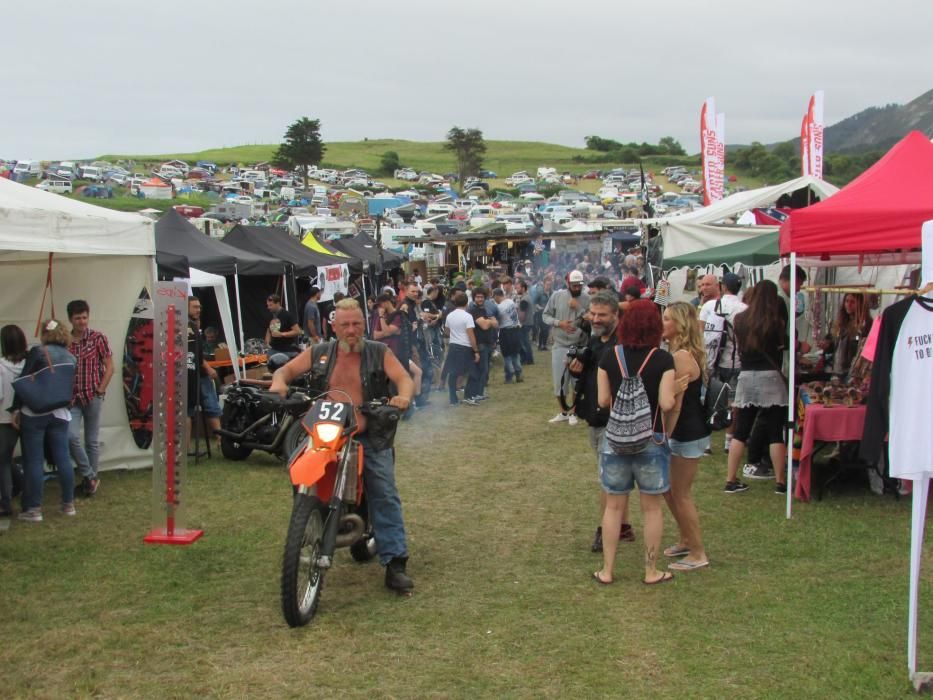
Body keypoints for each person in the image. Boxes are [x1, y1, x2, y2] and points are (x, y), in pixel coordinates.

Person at [269, 298, 415, 592]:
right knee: (302, 473)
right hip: (328, 433)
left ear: (365, 324)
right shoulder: (321, 352)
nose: (352, 330)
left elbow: (403, 379)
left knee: (383, 492)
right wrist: (279, 382)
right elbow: (285, 371)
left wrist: (403, 396)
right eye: (345, 324)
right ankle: (308, 521)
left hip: (369, 433)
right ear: (333, 327)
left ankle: (395, 561)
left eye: (357, 323)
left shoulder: (379, 351)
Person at [593, 300, 679, 585]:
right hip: (650, 440)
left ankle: (607, 570)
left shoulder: (609, 356)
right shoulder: (663, 359)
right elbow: (666, 403)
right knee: (651, 508)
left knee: (614, 507)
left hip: (615, 440)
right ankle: (651, 570)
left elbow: (603, 400)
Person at [566, 291, 634, 553]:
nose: (595, 318)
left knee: (608, 478)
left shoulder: (623, 346)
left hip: (614, 420)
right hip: (594, 417)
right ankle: (623, 526)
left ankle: (605, 529)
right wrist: (577, 370)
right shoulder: (594, 342)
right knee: (613, 477)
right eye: (592, 313)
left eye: (601, 315)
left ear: (616, 315)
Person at [724, 280, 789, 494]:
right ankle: (780, 482)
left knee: (741, 430)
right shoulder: (776, 323)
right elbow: (783, 346)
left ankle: (731, 479)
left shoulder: (740, 320)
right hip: (770, 377)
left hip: (747, 375)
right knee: (775, 431)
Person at [11, 320, 78, 522]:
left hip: (35, 412)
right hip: (60, 413)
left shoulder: (38, 352)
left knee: (34, 460)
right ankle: (68, 504)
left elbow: (23, 382)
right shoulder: (71, 357)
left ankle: (34, 508)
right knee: (63, 458)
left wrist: (15, 409)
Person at [660, 302, 710, 571]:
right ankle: (686, 539)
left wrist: (665, 435)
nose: (662, 322)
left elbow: (676, 405)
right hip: (688, 431)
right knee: (670, 491)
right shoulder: (681, 352)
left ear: (679, 325)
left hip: (686, 432)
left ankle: (698, 552)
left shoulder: (680, 356)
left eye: (667, 319)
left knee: (680, 494)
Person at [66, 300, 114, 497]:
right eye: (78, 318)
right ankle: (89, 475)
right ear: (70, 319)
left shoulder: (97, 338)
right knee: (71, 436)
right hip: (71, 398)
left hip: (92, 394)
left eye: (84, 317)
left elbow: (110, 366)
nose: (82, 322)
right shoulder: (65, 341)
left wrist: (100, 390)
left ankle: (90, 481)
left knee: (92, 440)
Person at [698, 272, 746, 454]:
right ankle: (728, 443)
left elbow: (700, 333)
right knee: (733, 403)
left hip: (713, 362)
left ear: (723, 287)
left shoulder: (710, 306)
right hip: (736, 361)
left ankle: (707, 444)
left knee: (711, 400)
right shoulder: (744, 308)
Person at [543, 270, 590, 425]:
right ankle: (564, 411)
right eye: (574, 285)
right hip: (560, 345)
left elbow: (592, 320)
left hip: (579, 346)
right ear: (567, 283)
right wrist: (559, 323)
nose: (577, 288)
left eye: (579, 285)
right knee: (559, 383)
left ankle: (573, 413)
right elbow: (546, 316)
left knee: (576, 382)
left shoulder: (587, 298)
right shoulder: (557, 296)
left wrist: (579, 308)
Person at [187, 297, 221, 451]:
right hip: (191, 374)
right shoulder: (186, 326)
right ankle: (186, 447)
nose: (198, 310)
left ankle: (221, 441)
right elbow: (196, 355)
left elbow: (199, 354)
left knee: (211, 406)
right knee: (189, 410)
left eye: (199, 307)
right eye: (194, 307)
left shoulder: (195, 325)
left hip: (199, 373)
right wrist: (208, 368)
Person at [0, 325, 27, 517]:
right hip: (28, 416)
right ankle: (22, 489)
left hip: (5, 418)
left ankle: (6, 502)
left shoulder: (1, 366)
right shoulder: (30, 363)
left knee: (3, 461)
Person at [443, 291, 479, 406]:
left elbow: (447, 331)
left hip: (453, 346)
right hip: (465, 347)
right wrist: (476, 350)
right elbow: (471, 335)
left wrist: (455, 335)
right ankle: (469, 396)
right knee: (472, 372)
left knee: (453, 373)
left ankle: (453, 399)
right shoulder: (468, 316)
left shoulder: (450, 315)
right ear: (466, 303)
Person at [831, 293, 872, 378]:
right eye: (846, 301)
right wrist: (828, 344)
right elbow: (835, 343)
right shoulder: (842, 322)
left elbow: (863, 346)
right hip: (838, 370)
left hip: (853, 372)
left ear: (860, 304)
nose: (848, 305)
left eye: (852, 302)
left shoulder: (866, 324)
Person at [467, 288, 498, 402]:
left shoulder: (483, 309)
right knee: (481, 370)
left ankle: (479, 392)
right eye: (477, 297)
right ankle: (475, 393)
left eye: (482, 297)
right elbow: (485, 325)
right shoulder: (473, 310)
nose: (480, 299)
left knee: (485, 370)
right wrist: (490, 321)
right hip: (480, 344)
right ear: (474, 298)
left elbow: (496, 324)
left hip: (487, 343)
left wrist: (489, 321)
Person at [265, 294, 301, 372]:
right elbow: (268, 329)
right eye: (268, 305)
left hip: (287, 350)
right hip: (273, 349)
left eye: (271, 305)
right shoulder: (270, 315)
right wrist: (267, 342)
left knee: (288, 372)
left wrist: (282, 334)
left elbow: (297, 331)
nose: (269, 307)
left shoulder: (287, 315)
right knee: (272, 372)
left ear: (277, 303)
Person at [493, 288, 523, 383]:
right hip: (516, 329)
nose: (494, 299)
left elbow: (497, 322)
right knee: (515, 353)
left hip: (506, 331)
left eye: (494, 297)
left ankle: (509, 376)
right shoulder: (510, 302)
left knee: (507, 355)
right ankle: (519, 374)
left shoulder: (499, 308)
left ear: (497, 296)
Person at [516, 279, 535, 365]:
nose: (517, 289)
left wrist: (518, 313)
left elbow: (522, 316)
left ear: (523, 288)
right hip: (528, 322)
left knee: (523, 343)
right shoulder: (527, 297)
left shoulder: (524, 299)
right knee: (525, 342)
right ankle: (528, 359)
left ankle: (527, 359)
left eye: (518, 288)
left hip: (524, 324)